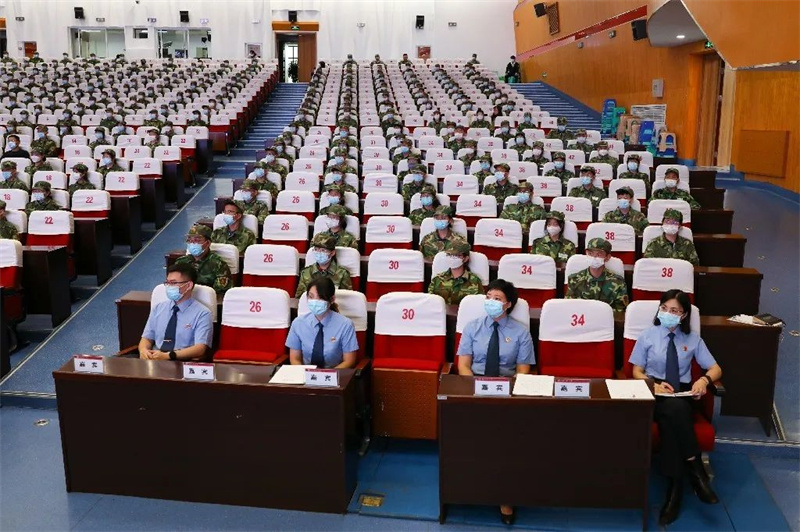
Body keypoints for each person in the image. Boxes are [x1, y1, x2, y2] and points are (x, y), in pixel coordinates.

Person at [629, 289, 722, 525]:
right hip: (655, 391)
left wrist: (703, 380)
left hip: (682, 392)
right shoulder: (648, 335)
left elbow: (715, 368)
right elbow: (636, 371)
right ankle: (695, 471)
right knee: (675, 411)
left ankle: (676, 488)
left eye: (674, 311)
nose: (668, 313)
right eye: (664, 308)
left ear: (683, 315)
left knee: (674, 414)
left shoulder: (692, 339)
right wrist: (653, 385)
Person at [456, 277, 534, 525]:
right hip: (475, 388)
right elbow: (463, 366)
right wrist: (476, 389)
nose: (491, 301)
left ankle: (505, 496)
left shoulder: (521, 332)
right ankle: (470, 489)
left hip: (506, 392)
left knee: (506, 443)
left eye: (497, 298)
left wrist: (507, 394)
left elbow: (523, 371)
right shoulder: (472, 327)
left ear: (508, 304)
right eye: (488, 297)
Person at [138, 263, 213, 361]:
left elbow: (200, 348)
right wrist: (143, 351)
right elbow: (147, 338)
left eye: (173, 283)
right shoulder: (158, 308)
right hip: (154, 359)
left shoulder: (203, 313)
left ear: (188, 285)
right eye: (167, 283)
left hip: (180, 361)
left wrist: (168, 356)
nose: (169, 286)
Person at [287, 276, 358, 369]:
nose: (315, 301)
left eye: (320, 298)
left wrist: (327, 375)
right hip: (305, 374)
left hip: (335, 374)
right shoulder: (298, 323)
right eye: (311, 297)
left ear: (332, 299)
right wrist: (304, 374)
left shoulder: (345, 325)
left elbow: (349, 361)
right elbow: (295, 359)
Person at [565, 237, 628, 311]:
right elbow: (569, 308)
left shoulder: (618, 282)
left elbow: (620, 312)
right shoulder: (574, 280)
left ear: (607, 257)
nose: (594, 257)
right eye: (590, 253)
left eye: (599, 254)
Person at [174, 224, 233, 295]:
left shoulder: (218, 264)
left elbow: (220, 292)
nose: (193, 243)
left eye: (197, 240)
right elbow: (174, 284)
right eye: (190, 240)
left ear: (208, 243)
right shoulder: (181, 262)